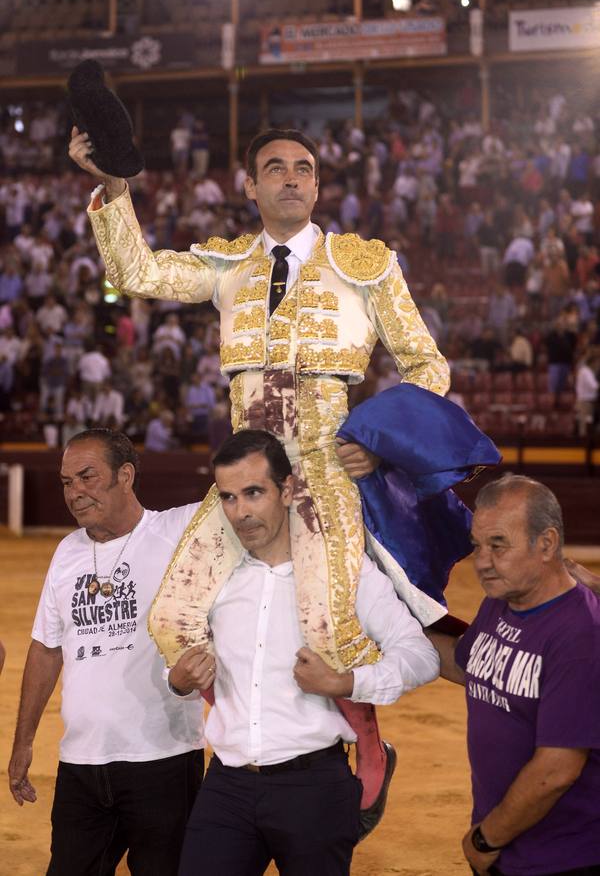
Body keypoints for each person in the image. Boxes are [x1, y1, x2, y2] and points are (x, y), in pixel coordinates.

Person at [69, 125, 450, 825]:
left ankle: (368, 745)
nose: (291, 178)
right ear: (249, 186)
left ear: (317, 184)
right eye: (274, 168)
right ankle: (244, 735)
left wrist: (381, 442)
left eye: (303, 168)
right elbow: (137, 273)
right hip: (246, 473)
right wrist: (115, 188)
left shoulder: (366, 265)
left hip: (327, 471)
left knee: (328, 622)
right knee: (175, 615)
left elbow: (427, 365)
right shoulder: (229, 266)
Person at [169, 429, 440, 875]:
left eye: (253, 493)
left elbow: (420, 655)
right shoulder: (212, 576)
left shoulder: (346, 574)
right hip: (227, 785)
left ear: (288, 489)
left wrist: (345, 683)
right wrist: (177, 683)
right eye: (229, 498)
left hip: (314, 786)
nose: (241, 512)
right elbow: (177, 654)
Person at [8, 429, 204, 876]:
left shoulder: (178, 530)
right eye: (66, 482)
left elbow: (248, 485)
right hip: (81, 764)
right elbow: (45, 649)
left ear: (126, 475)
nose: (75, 492)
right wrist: (23, 744)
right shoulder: (66, 552)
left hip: (163, 760)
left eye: (87, 477)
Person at [427, 475, 600, 876]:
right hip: (510, 849)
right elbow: (466, 665)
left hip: (563, 858)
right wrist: (385, 625)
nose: (482, 561)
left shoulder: (581, 635)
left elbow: (556, 770)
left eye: (499, 545)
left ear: (546, 544)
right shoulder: (502, 601)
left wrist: (485, 840)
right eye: (478, 545)